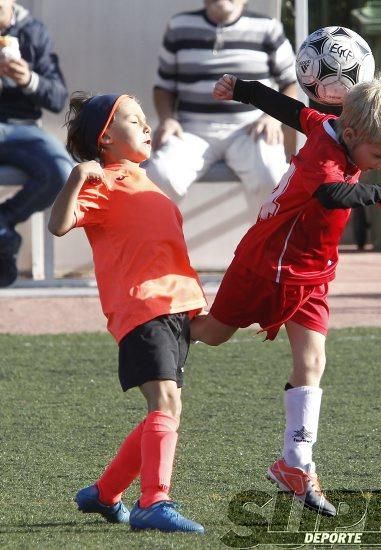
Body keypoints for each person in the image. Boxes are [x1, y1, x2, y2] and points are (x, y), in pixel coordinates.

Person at [191, 72, 381, 516]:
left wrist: (241, 89)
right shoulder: (323, 156)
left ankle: (295, 464)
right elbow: (333, 194)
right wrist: (377, 194)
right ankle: (163, 321)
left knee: (313, 360)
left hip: (311, 273)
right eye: (379, 156)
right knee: (212, 333)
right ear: (352, 134)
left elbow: (290, 109)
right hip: (265, 265)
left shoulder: (328, 127)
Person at [48, 92, 207, 533]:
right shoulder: (103, 181)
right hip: (142, 310)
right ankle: (153, 502)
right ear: (105, 138)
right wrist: (77, 177)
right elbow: (58, 225)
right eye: (135, 120)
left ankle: (104, 494)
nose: (147, 126)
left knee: (168, 411)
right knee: (165, 402)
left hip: (174, 310)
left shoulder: (145, 180)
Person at [145, 0, 297, 209]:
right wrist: (167, 120)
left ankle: (266, 241)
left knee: (273, 178)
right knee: (158, 176)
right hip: (191, 131)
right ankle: (161, 241)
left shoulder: (268, 27)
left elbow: (290, 83)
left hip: (250, 131)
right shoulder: (179, 26)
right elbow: (163, 87)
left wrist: (272, 118)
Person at [0, 0, 73, 286]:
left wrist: (28, 79)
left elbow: (57, 98)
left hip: (23, 129)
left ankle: (3, 222)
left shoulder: (33, 31)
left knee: (62, 172)